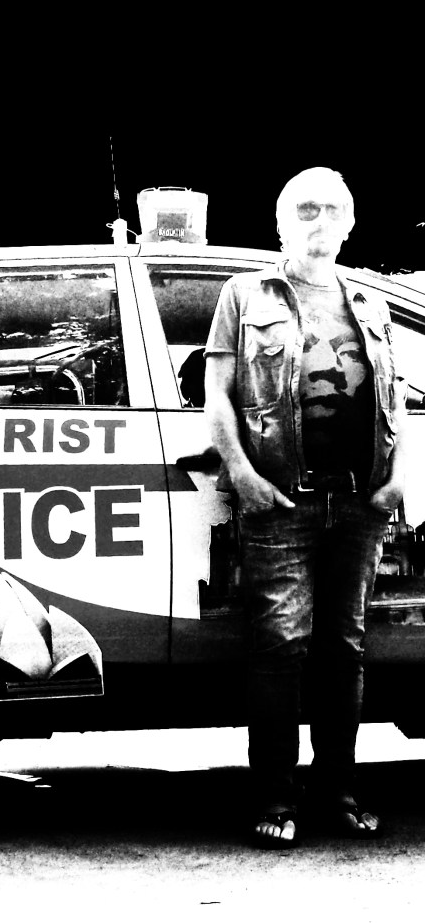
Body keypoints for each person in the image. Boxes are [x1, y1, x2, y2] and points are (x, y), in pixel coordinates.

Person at [204, 166, 407, 849]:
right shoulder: (244, 294)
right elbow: (218, 392)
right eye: (305, 208)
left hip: (359, 503)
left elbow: (396, 400)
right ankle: (274, 795)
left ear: (350, 222)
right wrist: (241, 474)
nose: (320, 220)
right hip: (282, 501)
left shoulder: (370, 302)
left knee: (344, 649)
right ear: (281, 222)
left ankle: (339, 792)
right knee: (279, 649)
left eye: (333, 209)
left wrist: (396, 479)